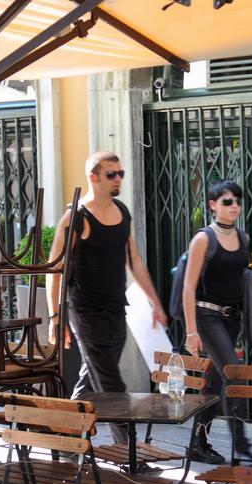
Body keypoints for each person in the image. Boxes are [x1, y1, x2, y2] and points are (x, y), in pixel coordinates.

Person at [46, 151, 167, 445]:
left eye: (120, 173)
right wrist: (55, 317)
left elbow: (134, 259)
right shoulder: (76, 217)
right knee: (111, 383)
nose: (118, 179)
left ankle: (63, 435)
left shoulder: (121, 211)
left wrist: (154, 301)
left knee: (92, 377)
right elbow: (55, 268)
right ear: (93, 177)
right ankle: (127, 452)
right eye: (111, 174)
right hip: (85, 312)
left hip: (116, 308)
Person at [182, 180, 252, 464]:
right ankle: (241, 442)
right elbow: (188, 287)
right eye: (227, 201)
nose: (234, 206)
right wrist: (191, 332)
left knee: (213, 383)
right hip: (207, 316)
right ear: (213, 205)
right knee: (233, 374)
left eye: (237, 200)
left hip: (231, 318)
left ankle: (197, 443)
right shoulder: (203, 239)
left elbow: (237, 274)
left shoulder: (243, 238)